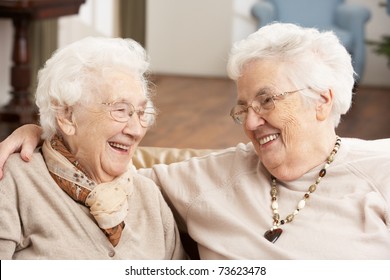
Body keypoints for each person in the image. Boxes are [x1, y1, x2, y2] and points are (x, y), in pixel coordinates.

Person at [1, 23, 390, 259]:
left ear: (322, 101)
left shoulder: (381, 170)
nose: (251, 122)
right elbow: (93, 176)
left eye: (267, 100)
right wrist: (42, 131)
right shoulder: (208, 178)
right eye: (243, 108)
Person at [0, 37, 185, 259]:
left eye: (141, 113)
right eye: (120, 110)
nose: (136, 130)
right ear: (67, 116)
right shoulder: (14, 182)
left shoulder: (149, 197)